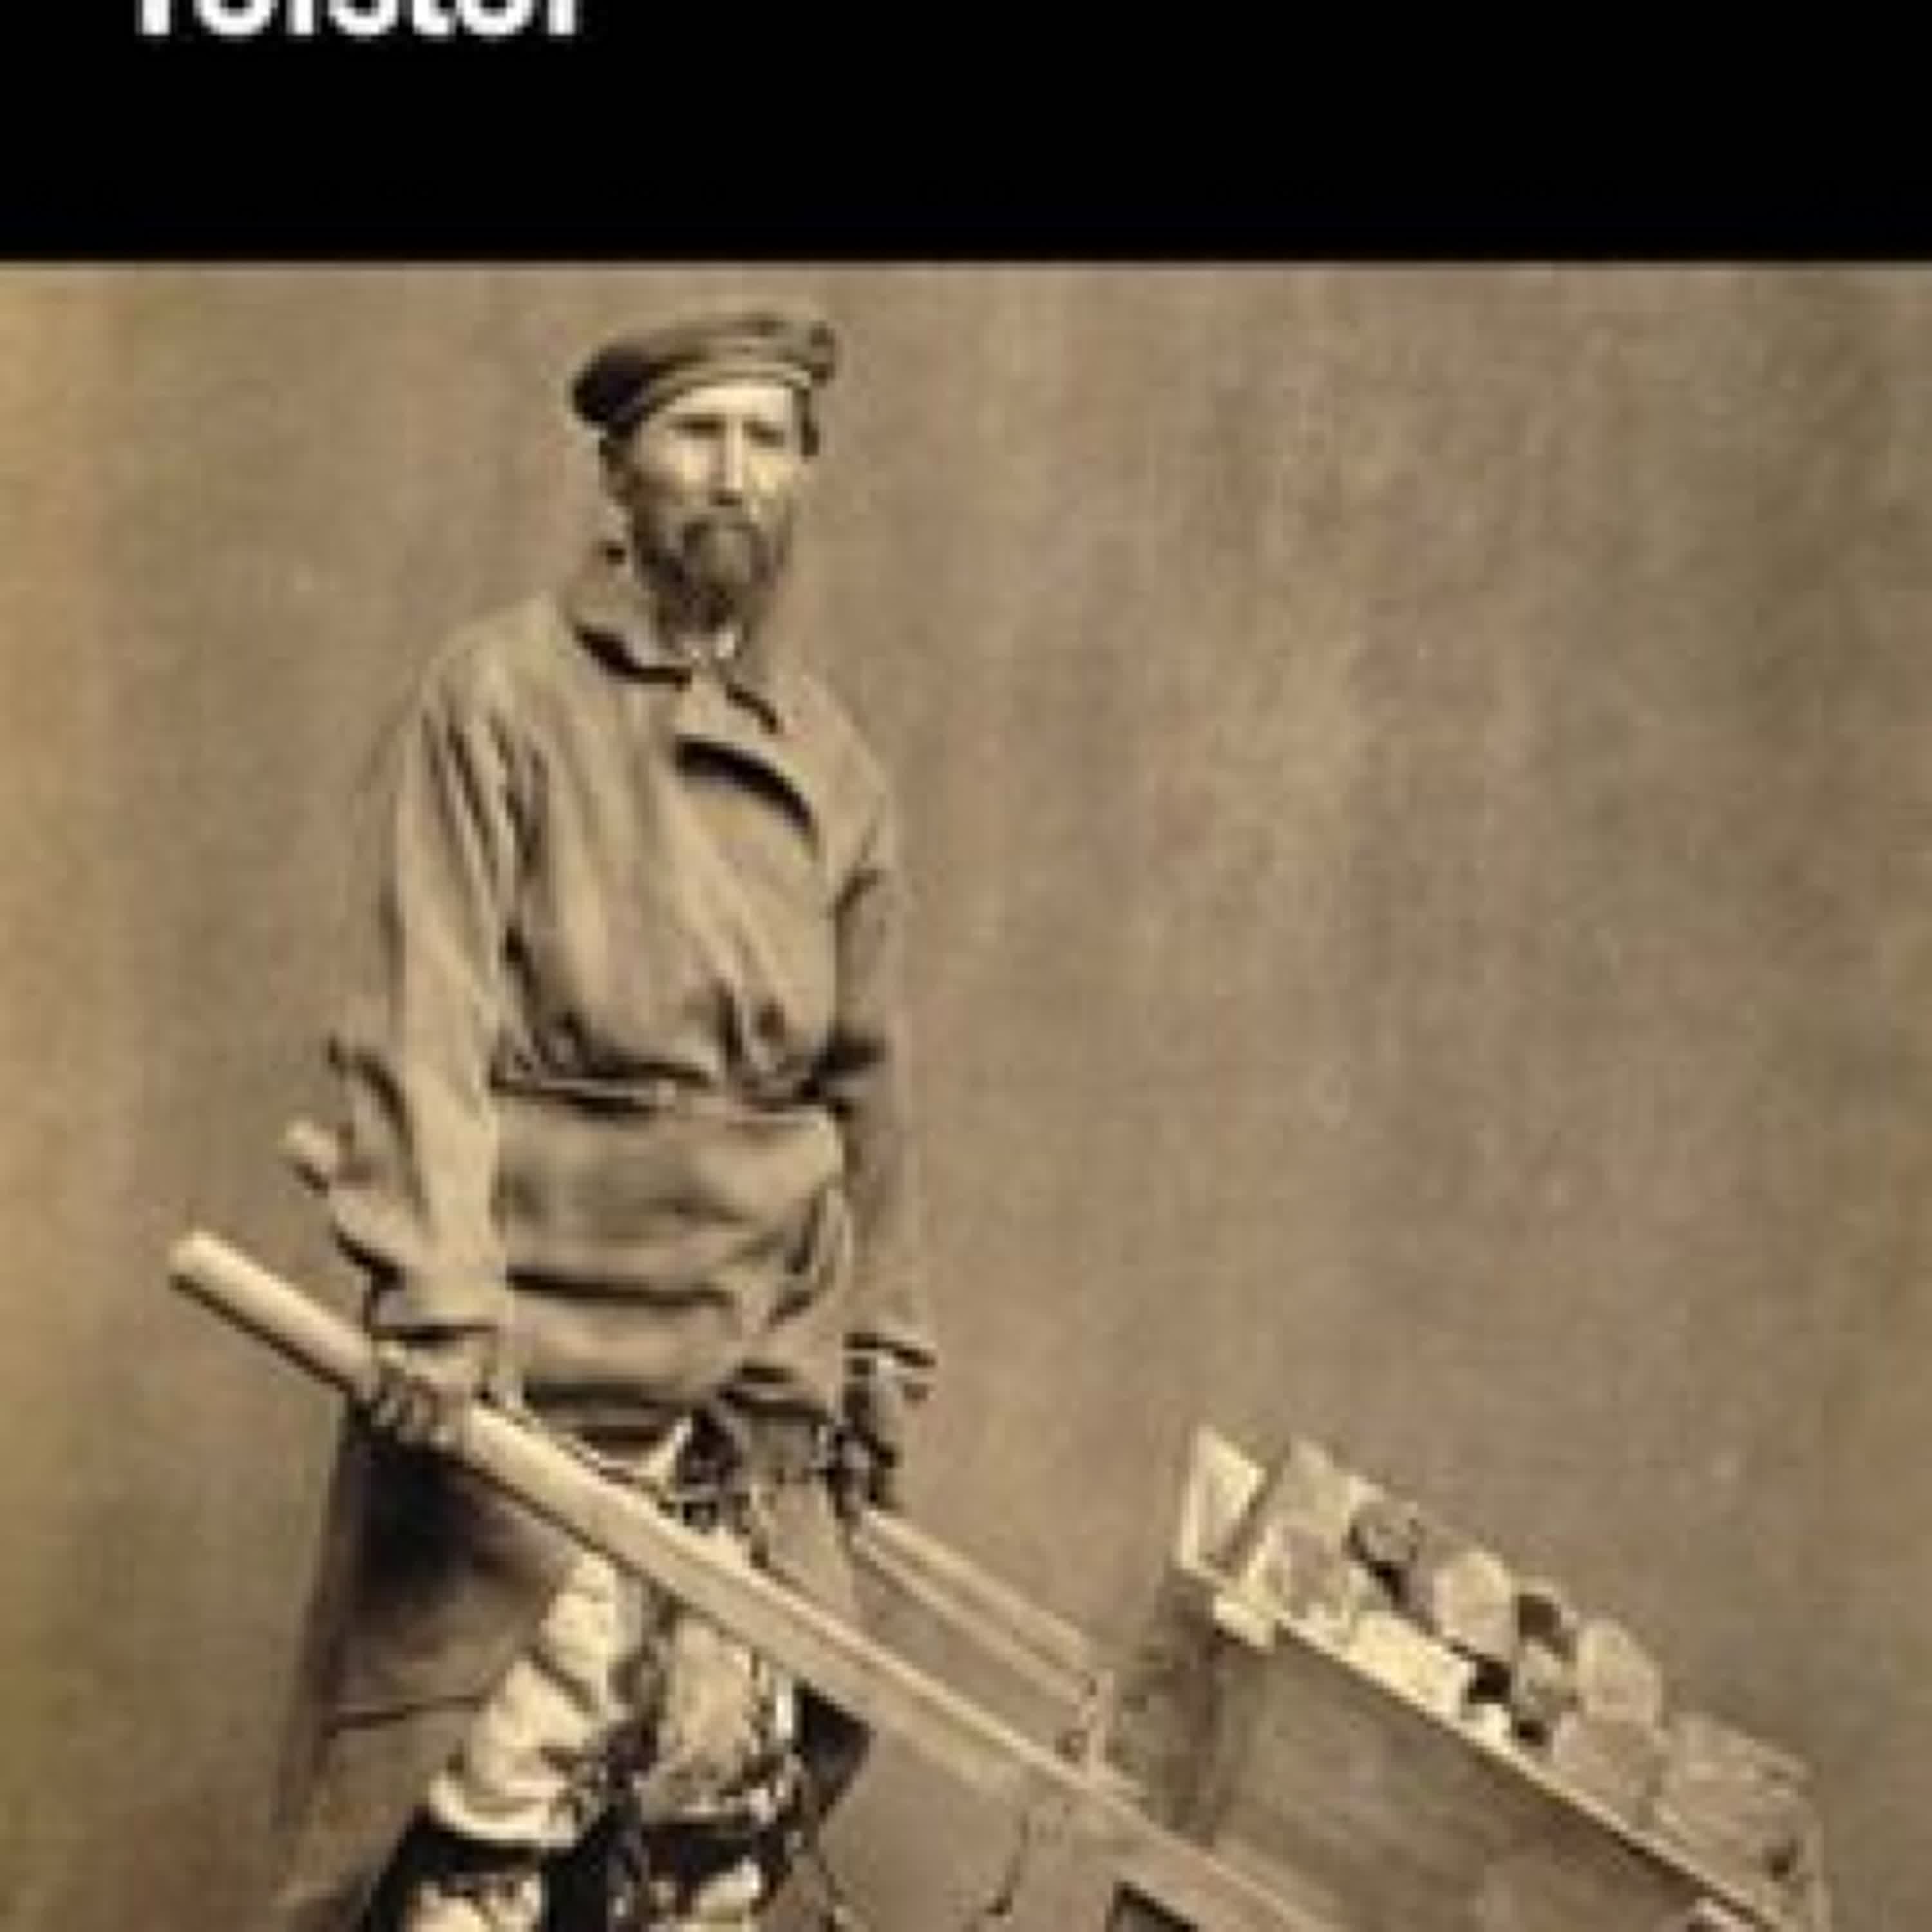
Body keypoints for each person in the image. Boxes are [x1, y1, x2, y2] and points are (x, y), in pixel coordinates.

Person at [262, 307, 936, 1932]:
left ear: (805, 476)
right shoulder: (498, 696)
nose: (734, 474)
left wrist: (878, 1346)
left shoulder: (832, 764)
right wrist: (435, 1291)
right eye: (698, 434)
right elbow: (425, 1007)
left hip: (750, 1366)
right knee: (494, 1800)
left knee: (707, 1812)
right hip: (539, 1350)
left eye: (769, 440)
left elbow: (869, 1081)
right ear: (619, 471)